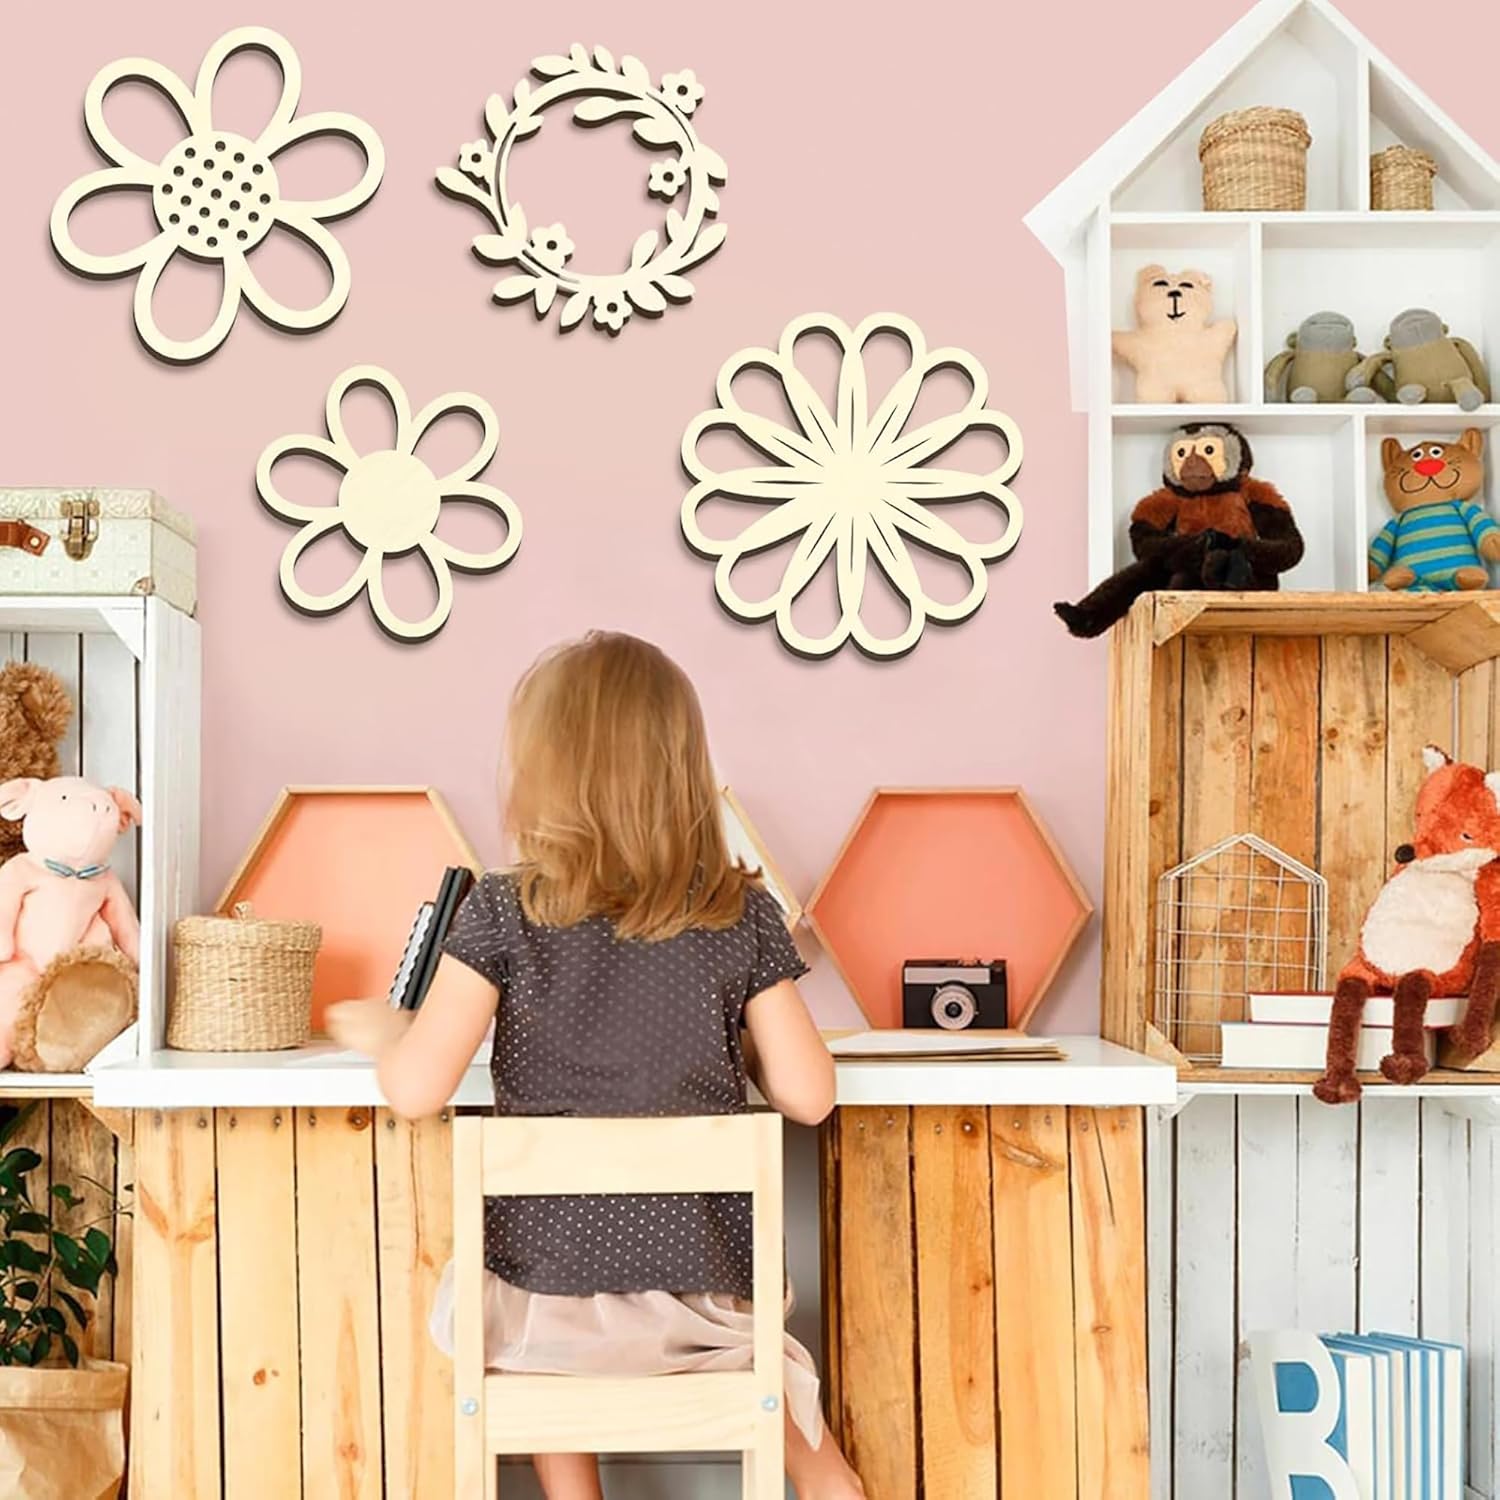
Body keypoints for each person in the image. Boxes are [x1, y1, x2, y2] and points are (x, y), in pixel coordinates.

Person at [329, 631, 865, 1500]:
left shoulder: (503, 911)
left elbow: (418, 1089)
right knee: (791, 1398)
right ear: (681, 770)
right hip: (707, 1318)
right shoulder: (741, 910)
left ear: (544, 773)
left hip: (544, 1315)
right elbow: (808, 1097)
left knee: (531, 1306)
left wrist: (391, 1035)